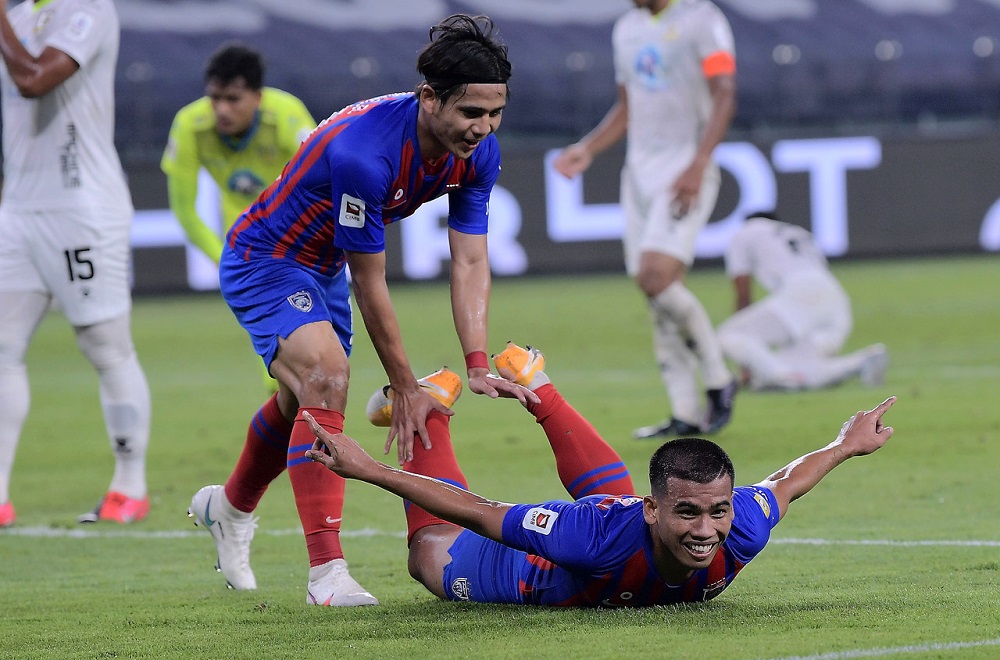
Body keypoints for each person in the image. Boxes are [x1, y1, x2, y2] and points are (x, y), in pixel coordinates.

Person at [186, 14, 536, 606]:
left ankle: (230, 506)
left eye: (495, 113)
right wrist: (405, 386)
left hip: (322, 267)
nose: (483, 128)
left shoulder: (477, 153)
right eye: (471, 112)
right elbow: (370, 281)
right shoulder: (365, 153)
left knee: (301, 401)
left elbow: (471, 259)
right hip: (267, 258)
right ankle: (327, 575)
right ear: (429, 98)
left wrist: (476, 362)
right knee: (327, 376)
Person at [304, 342, 896, 607]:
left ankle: (539, 387)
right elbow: (481, 513)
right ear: (655, 509)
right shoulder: (585, 537)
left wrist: (844, 445)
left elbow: (787, 482)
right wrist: (371, 470)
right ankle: (430, 409)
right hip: (530, 573)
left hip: (620, 531)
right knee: (429, 551)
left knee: (623, 513)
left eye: (717, 511)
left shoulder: (742, 526)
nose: (706, 530)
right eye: (689, 512)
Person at [552, 0, 738, 440]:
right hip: (637, 175)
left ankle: (718, 377)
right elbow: (628, 106)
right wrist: (588, 148)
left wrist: (699, 163)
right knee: (656, 292)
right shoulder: (626, 28)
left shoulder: (702, 19)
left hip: (685, 168)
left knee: (655, 277)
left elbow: (725, 92)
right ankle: (685, 412)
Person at [0, 0, 151, 527]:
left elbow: (34, 79)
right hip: (18, 208)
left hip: (81, 209)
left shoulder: (87, 8)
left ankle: (129, 487)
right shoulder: (19, 16)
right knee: (2, 348)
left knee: (104, 345)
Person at [161, 43, 318, 393]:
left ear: (258, 97)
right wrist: (227, 261)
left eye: (233, 99)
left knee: (318, 355)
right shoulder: (189, 125)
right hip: (246, 240)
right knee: (277, 357)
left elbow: (323, 182)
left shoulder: (288, 116)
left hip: (300, 233)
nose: (221, 109)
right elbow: (185, 210)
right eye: (214, 98)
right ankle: (290, 420)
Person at [717, 212, 889, 391]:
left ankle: (781, 377)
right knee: (794, 366)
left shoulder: (746, 231)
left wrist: (746, 364)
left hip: (801, 294)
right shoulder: (798, 233)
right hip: (836, 298)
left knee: (729, 335)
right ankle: (860, 361)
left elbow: (743, 296)